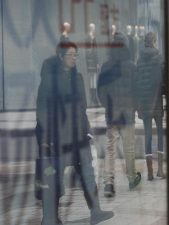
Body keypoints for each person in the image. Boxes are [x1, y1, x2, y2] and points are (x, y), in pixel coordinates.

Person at [35, 41, 113, 225]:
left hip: (78, 137)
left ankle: (96, 211)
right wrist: (45, 140)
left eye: (75, 55)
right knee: (54, 178)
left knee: (88, 173)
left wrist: (87, 131)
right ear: (61, 57)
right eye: (70, 55)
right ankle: (49, 218)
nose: (74, 58)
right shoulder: (49, 80)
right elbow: (42, 111)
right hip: (58, 138)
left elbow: (81, 107)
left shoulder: (77, 78)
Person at [97, 32, 141, 197]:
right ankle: (131, 178)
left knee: (110, 148)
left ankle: (109, 183)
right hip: (127, 113)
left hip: (112, 113)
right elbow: (137, 91)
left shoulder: (106, 66)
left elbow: (101, 91)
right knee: (129, 148)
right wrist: (134, 107)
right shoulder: (131, 66)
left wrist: (107, 105)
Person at [137, 32, 166, 181]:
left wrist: (138, 104)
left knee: (148, 134)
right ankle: (160, 169)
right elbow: (163, 81)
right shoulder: (159, 58)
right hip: (157, 102)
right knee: (160, 133)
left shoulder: (139, 60)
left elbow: (136, 83)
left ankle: (149, 172)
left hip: (144, 102)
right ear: (154, 42)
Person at [85, 23, 100, 106]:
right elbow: (93, 51)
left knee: (92, 79)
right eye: (93, 28)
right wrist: (97, 62)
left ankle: (93, 97)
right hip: (92, 61)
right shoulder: (90, 38)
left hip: (91, 61)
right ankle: (93, 97)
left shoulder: (90, 38)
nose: (94, 29)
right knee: (92, 79)